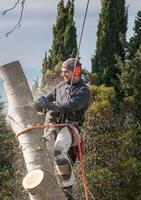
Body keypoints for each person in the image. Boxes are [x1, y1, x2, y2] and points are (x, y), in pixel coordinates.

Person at [35, 58, 90, 200]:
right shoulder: (60, 86)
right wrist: (41, 101)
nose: (63, 75)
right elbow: (48, 97)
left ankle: (68, 187)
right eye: (63, 72)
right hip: (54, 127)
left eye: (66, 72)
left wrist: (49, 105)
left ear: (76, 71)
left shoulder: (83, 91)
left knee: (58, 149)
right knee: (46, 152)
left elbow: (69, 106)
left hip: (70, 128)